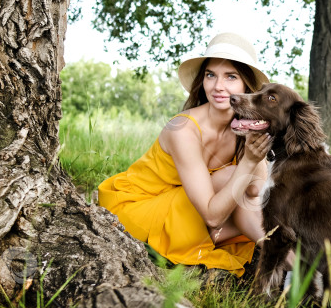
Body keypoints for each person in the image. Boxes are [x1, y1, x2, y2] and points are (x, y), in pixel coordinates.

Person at [98, 33, 272, 277]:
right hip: (140, 209)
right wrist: (248, 162)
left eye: (231, 77)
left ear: (246, 86)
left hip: (194, 207)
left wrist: (255, 131)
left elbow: (254, 191)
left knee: (246, 192)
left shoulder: (239, 127)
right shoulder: (182, 129)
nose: (218, 86)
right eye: (211, 75)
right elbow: (213, 216)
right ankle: (282, 256)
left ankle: (294, 263)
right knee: (233, 176)